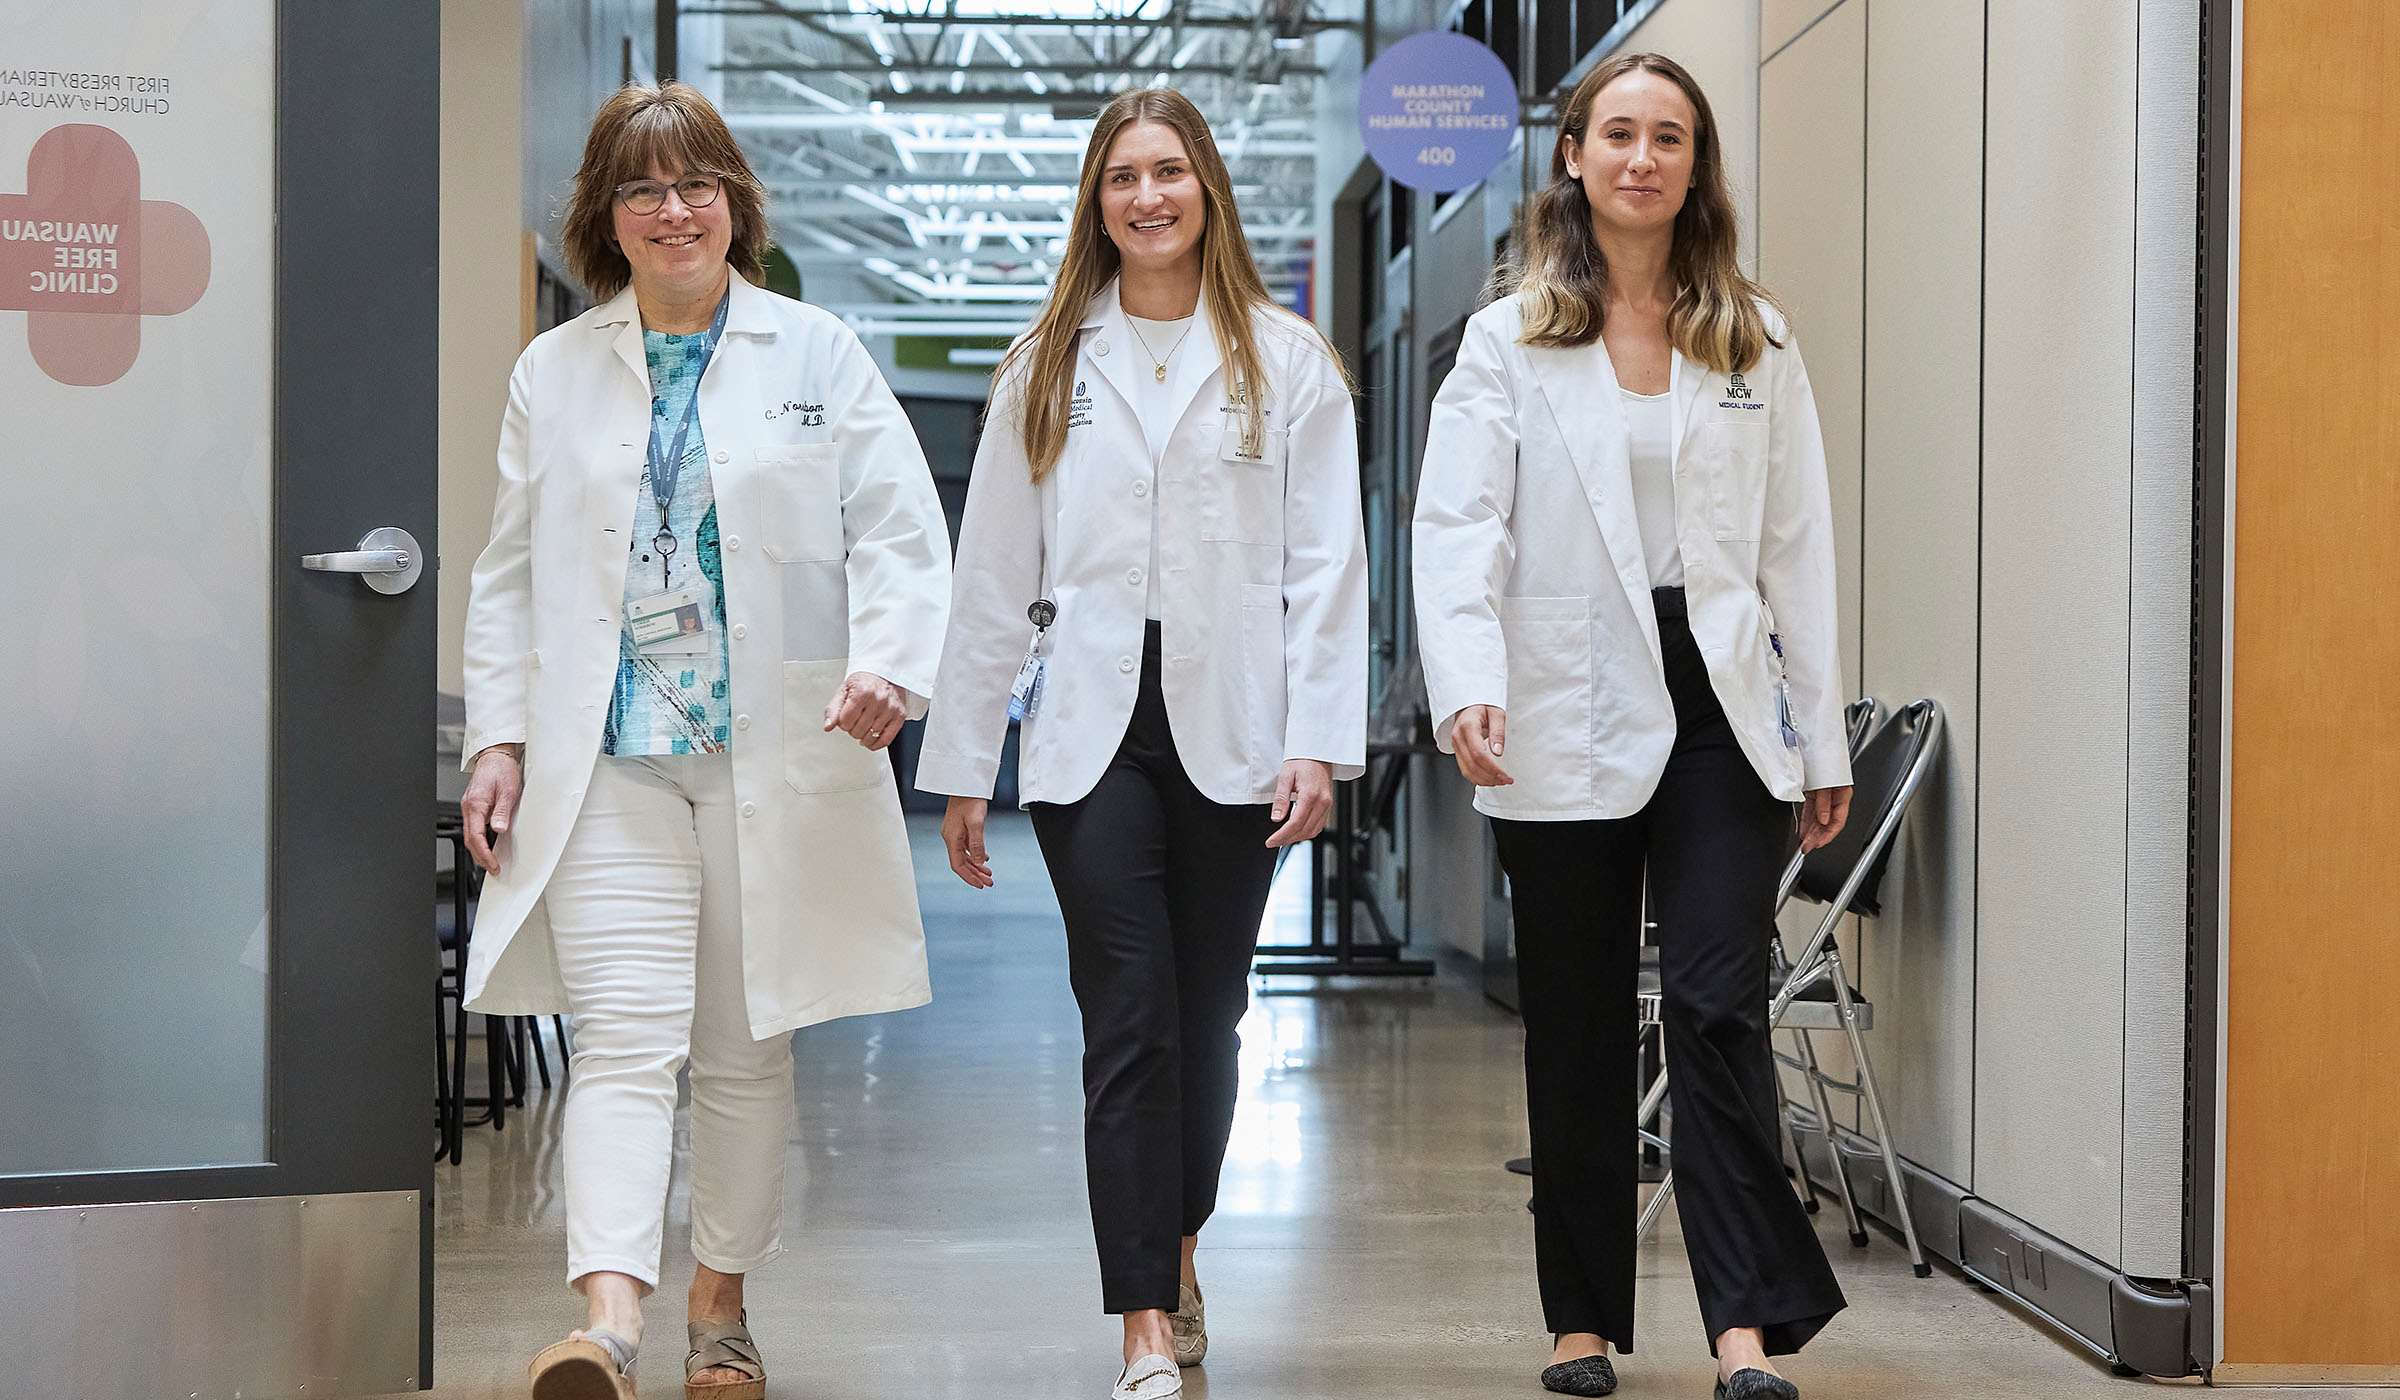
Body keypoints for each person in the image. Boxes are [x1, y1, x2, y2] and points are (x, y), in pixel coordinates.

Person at [456, 81, 952, 1400]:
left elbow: (902, 532)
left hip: (769, 757)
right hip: (608, 760)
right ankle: (608, 1323)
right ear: (604, 220)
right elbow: (506, 573)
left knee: (745, 1048)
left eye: (697, 186)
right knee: (625, 1040)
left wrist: (888, 667)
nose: (674, 212)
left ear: (734, 203)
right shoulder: (553, 373)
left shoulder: (818, 354)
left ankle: (719, 1311)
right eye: (643, 190)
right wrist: (496, 736)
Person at [1411, 51, 1854, 1400]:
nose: (1642, 158)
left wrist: (1820, 738)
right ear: (1572, 158)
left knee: (1718, 1001)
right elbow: (1456, 524)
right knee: (1579, 1018)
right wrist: (1469, 676)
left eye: (1669, 137)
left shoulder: (1754, 339)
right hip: (1563, 686)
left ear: (1694, 165)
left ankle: (1744, 1328)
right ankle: (1584, 1320)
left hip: (1720, 696)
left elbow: (1797, 549)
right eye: (1618, 134)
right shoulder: (1510, 338)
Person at [914, 86, 1366, 1400]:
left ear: (1207, 190)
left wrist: (1319, 745)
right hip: (1090, 731)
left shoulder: (1290, 363)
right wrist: (960, 770)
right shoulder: (1044, 365)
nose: (1149, 197)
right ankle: (1141, 1327)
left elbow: (1329, 572)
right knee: (1127, 1019)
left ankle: (1175, 1248)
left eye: (1170, 172)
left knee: (1208, 1016)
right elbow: (993, 573)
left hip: (1238, 724)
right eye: (1124, 179)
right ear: (1097, 204)